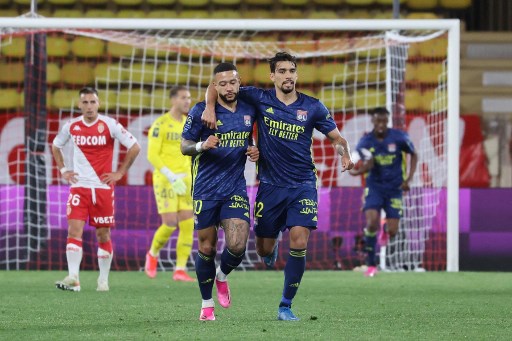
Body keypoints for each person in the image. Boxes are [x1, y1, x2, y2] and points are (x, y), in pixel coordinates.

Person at [202, 52, 354, 321]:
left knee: (299, 240)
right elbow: (220, 85)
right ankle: (269, 249)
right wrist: (209, 108)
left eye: (292, 71)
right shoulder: (259, 98)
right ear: (272, 76)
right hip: (270, 186)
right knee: (263, 248)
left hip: (303, 184)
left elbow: (337, 137)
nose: (288, 75)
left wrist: (344, 152)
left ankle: (285, 305)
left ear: (297, 75)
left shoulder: (313, 107)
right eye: (282, 71)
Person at [181, 62, 259, 321]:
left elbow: (248, 137)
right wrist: (203, 144)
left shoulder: (249, 106)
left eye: (232, 82)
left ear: (240, 83)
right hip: (205, 189)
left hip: (235, 186)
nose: (228, 87)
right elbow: (184, 146)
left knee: (237, 245)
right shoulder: (201, 111)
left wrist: (254, 149)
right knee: (207, 247)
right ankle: (206, 304)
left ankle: (222, 276)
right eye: (222, 83)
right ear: (214, 86)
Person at [52, 87, 141, 292]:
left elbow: (135, 146)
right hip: (79, 187)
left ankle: (103, 280)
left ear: (98, 104)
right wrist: (64, 169)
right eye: (85, 102)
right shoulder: (71, 126)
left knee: (103, 235)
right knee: (74, 230)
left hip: (102, 189)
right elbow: (56, 146)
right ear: (79, 105)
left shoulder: (109, 125)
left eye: (93, 102)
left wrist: (120, 172)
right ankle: (74, 278)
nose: (89, 106)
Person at [349, 107, 418, 277]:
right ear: (373, 121)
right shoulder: (365, 141)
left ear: (387, 121)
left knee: (393, 231)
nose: (380, 124)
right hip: (374, 188)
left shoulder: (399, 137)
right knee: (371, 222)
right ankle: (371, 264)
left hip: (395, 188)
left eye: (383, 121)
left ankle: (385, 229)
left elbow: (414, 154)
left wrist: (408, 179)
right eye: (377, 121)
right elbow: (358, 161)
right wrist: (357, 170)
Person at [144, 86, 196, 282]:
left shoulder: (188, 124)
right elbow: (152, 155)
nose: (187, 101)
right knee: (170, 223)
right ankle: (153, 253)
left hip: (185, 180)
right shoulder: (160, 124)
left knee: (188, 223)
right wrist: (171, 176)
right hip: (166, 180)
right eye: (183, 98)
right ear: (173, 100)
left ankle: (180, 269)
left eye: (189, 98)